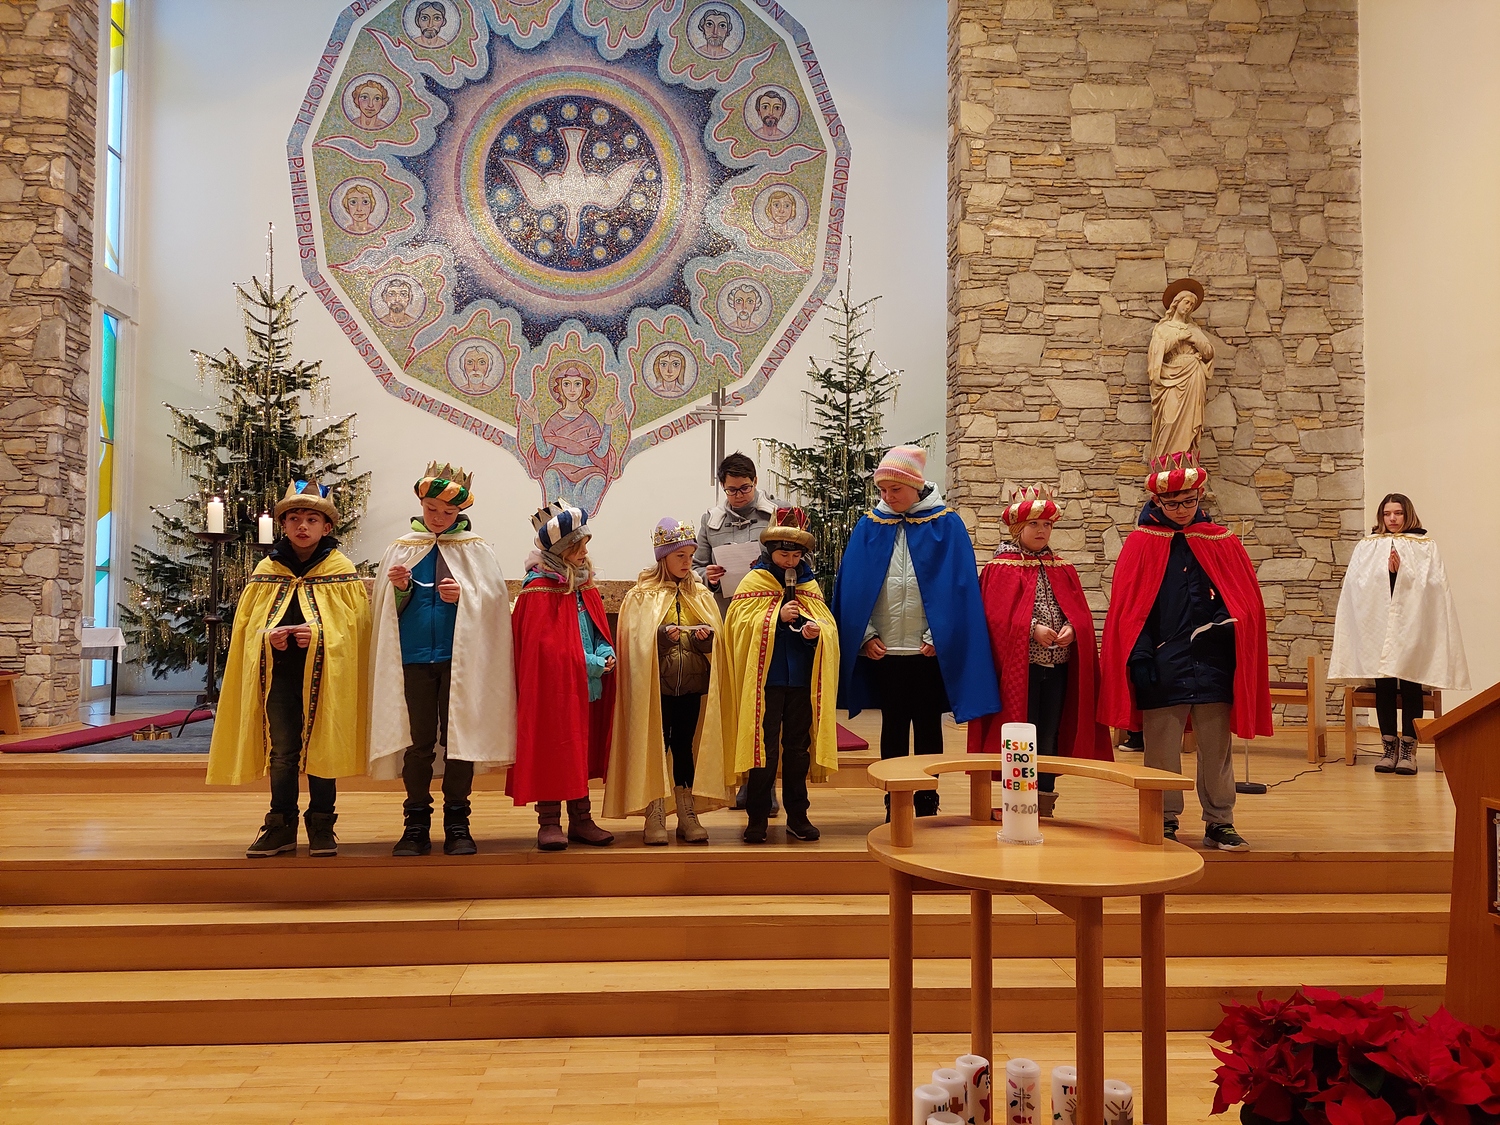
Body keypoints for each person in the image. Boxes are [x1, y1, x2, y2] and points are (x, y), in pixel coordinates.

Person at [1100, 452, 1271, 851]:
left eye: (1188, 501)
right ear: (1156, 501)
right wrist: (1140, 655)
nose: (1181, 509)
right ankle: (1163, 819)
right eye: (1172, 503)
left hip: (1213, 661)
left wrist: (1227, 617)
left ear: (1200, 496)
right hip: (1163, 662)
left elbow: (1243, 598)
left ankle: (1220, 821)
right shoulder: (1141, 543)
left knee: (1216, 748)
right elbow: (1131, 609)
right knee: (1162, 749)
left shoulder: (1221, 541)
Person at [832, 446, 1000, 819]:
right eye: (883, 490)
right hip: (886, 649)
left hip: (927, 651)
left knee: (927, 726)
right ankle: (894, 802)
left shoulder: (947, 524)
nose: (888, 497)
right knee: (892, 726)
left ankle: (926, 801)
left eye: (895, 489)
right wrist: (866, 635)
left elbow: (959, 587)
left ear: (916, 485)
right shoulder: (870, 525)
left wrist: (938, 635)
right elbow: (854, 587)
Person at [208, 480, 372, 859]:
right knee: (283, 750)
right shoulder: (268, 569)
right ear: (283, 525)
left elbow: (355, 626)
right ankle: (280, 824)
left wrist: (319, 634)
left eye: (311, 520)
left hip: (326, 676)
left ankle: (322, 824)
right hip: (279, 674)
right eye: (294, 518)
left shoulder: (340, 569)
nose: (302, 526)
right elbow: (249, 625)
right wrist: (269, 637)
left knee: (323, 746)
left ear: (326, 527)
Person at [368, 464, 515, 856]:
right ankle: (415, 823)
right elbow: (384, 608)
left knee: (458, 742)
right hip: (413, 659)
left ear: (460, 512)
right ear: (421, 504)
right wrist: (400, 589)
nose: (438, 517)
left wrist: (464, 596)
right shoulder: (402, 547)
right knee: (418, 743)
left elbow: (494, 602)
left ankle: (457, 822)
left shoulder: (475, 549)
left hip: (460, 661)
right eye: (432, 509)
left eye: (448, 512)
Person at [967, 486, 1112, 817]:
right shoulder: (1000, 568)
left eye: (1047, 525)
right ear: (1018, 528)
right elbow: (994, 616)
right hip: (1023, 667)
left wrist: (1073, 628)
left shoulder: (1061, 566)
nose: (1042, 531)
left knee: (1049, 734)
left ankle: (1043, 802)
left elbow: (1076, 610)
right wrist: (1032, 628)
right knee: (1020, 732)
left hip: (1058, 665)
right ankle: (1018, 802)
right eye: (1034, 524)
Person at [605, 518, 732, 844]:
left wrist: (705, 639)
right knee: (656, 747)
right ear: (664, 558)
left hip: (691, 687)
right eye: (680, 556)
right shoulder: (641, 596)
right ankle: (655, 809)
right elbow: (634, 643)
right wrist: (661, 638)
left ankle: (687, 812)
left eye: (690, 556)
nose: (688, 562)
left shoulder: (699, 593)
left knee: (684, 747)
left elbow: (716, 642)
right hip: (655, 690)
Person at [721, 507, 840, 844]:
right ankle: (757, 816)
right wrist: (775, 616)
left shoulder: (808, 584)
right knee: (764, 749)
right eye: (783, 555)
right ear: (770, 551)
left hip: (801, 680)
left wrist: (815, 631)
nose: (790, 562)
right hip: (766, 682)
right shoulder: (754, 581)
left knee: (798, 749)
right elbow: (739, 626)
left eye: (796, 555)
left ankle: (798, 815)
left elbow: (828, 626)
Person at [1330, 493, 1470, 775]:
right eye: (1387, 514)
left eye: (1398, 513)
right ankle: (1388, 747)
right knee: (1384, 684)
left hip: (1411, 624)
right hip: (1378, 625)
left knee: (1410, 682)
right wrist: (1387, 573)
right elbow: (1359, 586)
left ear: (1408, 515)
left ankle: (1408, 749)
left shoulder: (1424, 546)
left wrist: (1401, 573)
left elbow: (1433, 586)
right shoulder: (1368, 546)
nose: (1392, 519)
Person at [507, 501, 617, 850]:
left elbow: (595, 628)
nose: (585, 552)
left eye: (586, 545)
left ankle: (582, 819)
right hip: (554, 689)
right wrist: (592, 662)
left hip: (586, 684)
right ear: (562, 550)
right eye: (578, 546)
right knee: (555, 748)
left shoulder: (583, 583)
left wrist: (605, 650)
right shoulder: (539, 588)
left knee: (579, 748)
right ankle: (549, 821)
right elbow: (547, 651)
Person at [693, 452, 785, 811]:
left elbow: (799, 559)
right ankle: (741, 781)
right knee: (735, 704)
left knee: (764, 708)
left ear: (755, 482)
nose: (738, 496)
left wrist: (766, 567)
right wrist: (708, 576)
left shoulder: (777, 514)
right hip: (729, 620)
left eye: (744, 488)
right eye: (731, 490)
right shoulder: (711, 520)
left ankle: (765, 786)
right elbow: (695, 567)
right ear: (722, 487)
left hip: (767, 622)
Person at [517, 363, 626, 515]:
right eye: (567, 384)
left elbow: (601, 453)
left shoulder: (589, 420)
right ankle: (558, 520)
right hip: (559, 470)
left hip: (587, 471)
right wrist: (535, 420)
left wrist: (608, 422)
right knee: (550, 475)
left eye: (577, 384)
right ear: (560, 388)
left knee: (598, 481)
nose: (572, 389)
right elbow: (543, 452)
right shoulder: (554, 420)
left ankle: (577, 518)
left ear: (584, 388)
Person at [1147, 277, 1214, 461]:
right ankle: (1164, 462)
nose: (1189, 307)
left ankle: (1186, 461)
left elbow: (1208, 352)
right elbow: (1156, 352)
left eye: (1192, 304)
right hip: (1171, 377)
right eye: (1186, 302)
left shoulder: (1194, 329)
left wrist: (1193, 339)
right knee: (1168, 420)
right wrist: (1178, 338)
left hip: (1193, 376)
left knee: (1190, 420)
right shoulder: (1163, 328)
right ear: (1176, 303)